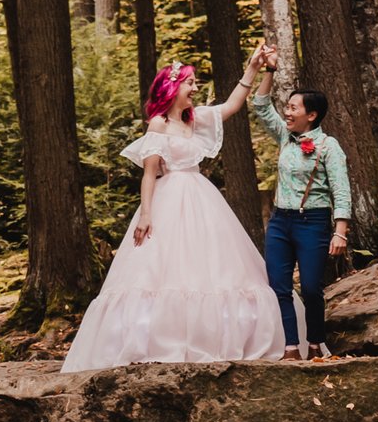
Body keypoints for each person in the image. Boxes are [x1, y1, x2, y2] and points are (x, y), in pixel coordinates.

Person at [60, 47, 287, 373]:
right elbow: (150, 174)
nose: (195, 88)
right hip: (169, 201)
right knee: (163, 271)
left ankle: (217, 338)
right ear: (173, 87)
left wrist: (254, 68)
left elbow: (233, 105)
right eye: (190, 83)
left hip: (202, 200)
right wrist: (147, 214)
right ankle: (163, 339)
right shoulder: (158, 124)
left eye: (195, 84)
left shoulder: (196, 120)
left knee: (215, 269)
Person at [247, 51, 350, 360]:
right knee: (279, 285)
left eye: (293, 108)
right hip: (279, 222)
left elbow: (341, 190)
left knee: (310, 288)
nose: (287, 112)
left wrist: (340, 231)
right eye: (288, 107)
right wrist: (270, 71)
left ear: (312, 115)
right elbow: (260, 107)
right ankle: (291, 347)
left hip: (313, 222)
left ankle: (315, 342)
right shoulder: (284, 136)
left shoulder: (329, 147)